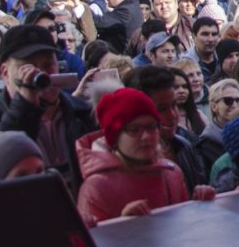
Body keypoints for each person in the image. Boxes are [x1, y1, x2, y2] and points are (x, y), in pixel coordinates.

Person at [0, 25, 98, 189]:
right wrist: (25, 107)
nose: (41, 74)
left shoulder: (85, 114)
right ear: (5, 73)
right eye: (28, 68)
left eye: (47, 65)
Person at [75, 87, 215, 225]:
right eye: (134, 130)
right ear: (115, 137)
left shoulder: (172, 173)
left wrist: (199, 205)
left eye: (151, 126)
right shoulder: (96, 188)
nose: (146, 136)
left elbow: (185, 230)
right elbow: (88, 245)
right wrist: (121, 225)